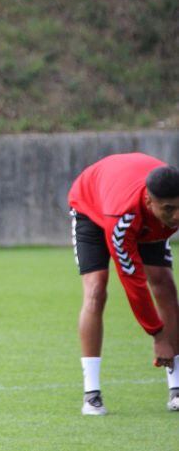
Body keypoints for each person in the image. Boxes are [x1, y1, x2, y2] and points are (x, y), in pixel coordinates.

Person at [68, 152, 179, 415]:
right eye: (170, 209)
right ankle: (91, 394)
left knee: (164, 284)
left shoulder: (168, 210)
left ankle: (176, 387)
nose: (177, 217)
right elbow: (133, 280)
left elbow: (167, 213)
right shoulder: (123, 218)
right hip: (92, 206)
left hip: (144, 215)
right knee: (96, 289)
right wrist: (157, 334)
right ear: (150, 200)